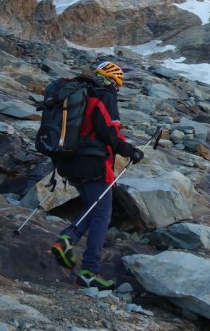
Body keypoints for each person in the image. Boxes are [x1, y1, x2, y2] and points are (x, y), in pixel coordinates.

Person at [50, 61, 144, 290]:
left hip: (67, 161)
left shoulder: (76, 91)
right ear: (114, 82)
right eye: (118, 86)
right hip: (93, 163)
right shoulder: (104, 95)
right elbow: (109, 131)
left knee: (94, 208)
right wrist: (130, 151)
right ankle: (89, 271)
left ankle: (67, 240)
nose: (117, 90)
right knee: (102, 214)